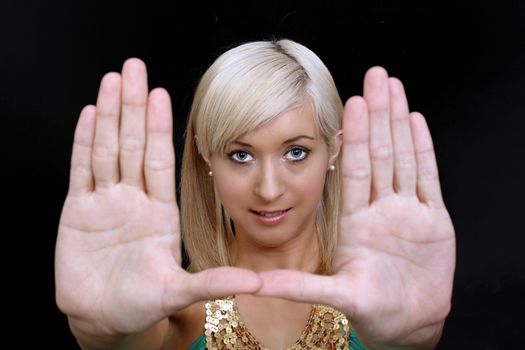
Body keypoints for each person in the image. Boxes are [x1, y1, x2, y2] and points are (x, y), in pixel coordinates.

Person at [55, 39, 456, 349]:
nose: (268, 189)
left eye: (296, 152)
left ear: (333, 149)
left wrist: (410, 342)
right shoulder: (170, 315)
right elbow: (125, 340)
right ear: (206, 154)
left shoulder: (379, 300)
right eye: (241, 155)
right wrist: (103, 335)